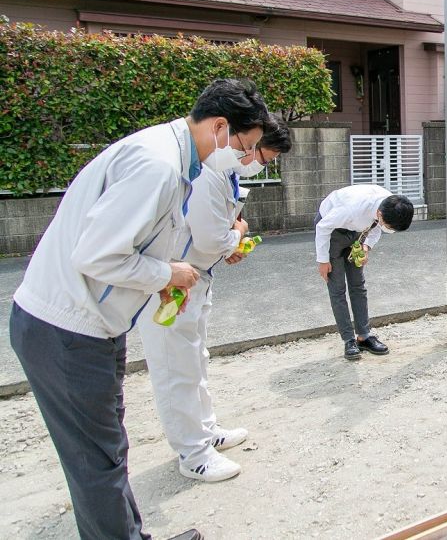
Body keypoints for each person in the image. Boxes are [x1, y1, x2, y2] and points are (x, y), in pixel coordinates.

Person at [9, 78, 268, 539]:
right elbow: (97, 255)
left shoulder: (169, 156)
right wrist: (169, 275)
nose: (246, 159)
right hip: (68, 328)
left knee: (107, 450)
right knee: (97, 461)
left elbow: (134, 244)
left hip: (87, 323)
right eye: (246, 147)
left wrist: (161, 279)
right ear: (220, 127)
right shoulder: (159, 166)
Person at [137, 114, 291, 483]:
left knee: (194, 359)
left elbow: (215, 237)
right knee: (177, 367)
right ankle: (193, 454)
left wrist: (230, 242)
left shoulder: (225, 171)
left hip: (195, 276)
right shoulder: (210, 171)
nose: (257, 161)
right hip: (172, 281)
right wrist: (236, 234)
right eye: (258, 153)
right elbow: (211, 237)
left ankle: (205, 432)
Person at [315, 186, 414, 360]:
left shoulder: (391, 205)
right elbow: (323, 227)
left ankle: (364, 336)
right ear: (381, 214)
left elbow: (375, 227)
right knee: (337, 288)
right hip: (332, 232)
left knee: (358, 285)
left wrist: (366, 246)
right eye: (388, 226)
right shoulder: (351, 208)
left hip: (358, 233)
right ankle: (348, 340)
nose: (388, 229)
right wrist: (323, 260)